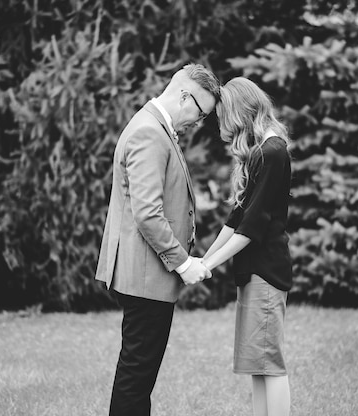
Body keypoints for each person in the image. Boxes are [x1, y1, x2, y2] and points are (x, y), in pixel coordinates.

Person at [95, 63, 220, 416]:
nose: (197, 122)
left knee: (139, 375)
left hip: (147, 274)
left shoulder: (154, 127)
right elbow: (148, 213)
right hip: (145, 276)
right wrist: (183, 263)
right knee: (136, 377)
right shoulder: (150, 132)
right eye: (200, 113)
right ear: (185, 96)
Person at [201, 77, 292, 416]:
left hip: (266, 271)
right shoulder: (261, 153)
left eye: (226, 119)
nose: (225, 128)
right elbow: (237, 217)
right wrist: (202, 260)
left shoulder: (273, 151)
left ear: (240, 112)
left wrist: (209, 266)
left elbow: (253, 228)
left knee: (270, 363)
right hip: (253, 273)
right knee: (258, 363)